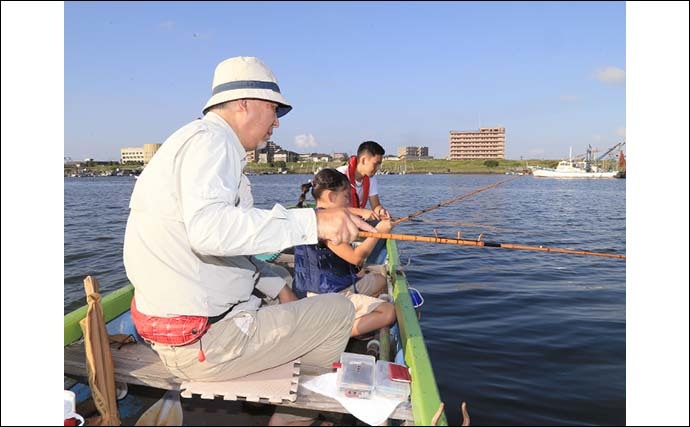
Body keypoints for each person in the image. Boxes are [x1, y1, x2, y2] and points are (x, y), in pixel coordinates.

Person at [123, 56, 376, 425]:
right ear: (244, 103)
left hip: (176, 329)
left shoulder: (189, 140)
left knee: (282, 285)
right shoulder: (214, 144)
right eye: (274, 110)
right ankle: (294, 414)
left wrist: (275, 283)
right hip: (201, 344)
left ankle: (275, 381)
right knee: (338, 312)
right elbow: (210, 231)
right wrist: (316, 222)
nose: (276, 123)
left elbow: (221, 245)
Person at [294, 169, 396, 338]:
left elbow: (344, 214)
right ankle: (334, 334)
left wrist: (364, 213)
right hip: (327, 297)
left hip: (341, 285)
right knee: (388, 312)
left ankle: (352, 321)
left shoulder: (317, 215)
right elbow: (356, 257)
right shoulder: (328, 226)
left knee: (380, 281)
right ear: (331, 197)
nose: (349, 203)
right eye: (346, 197)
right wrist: (378, 232)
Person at [336, 141, 390, 264]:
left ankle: (370, 263)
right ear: (364, 160)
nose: (378, 168)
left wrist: (381, 211)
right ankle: (359, 261)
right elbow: (331, 209)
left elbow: (375, 205)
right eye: (376, 164)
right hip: (339, 223)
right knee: (378, 231)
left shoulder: (371, 179)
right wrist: (362, 212)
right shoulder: (339, 175)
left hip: (357, 222)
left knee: (385, 224)